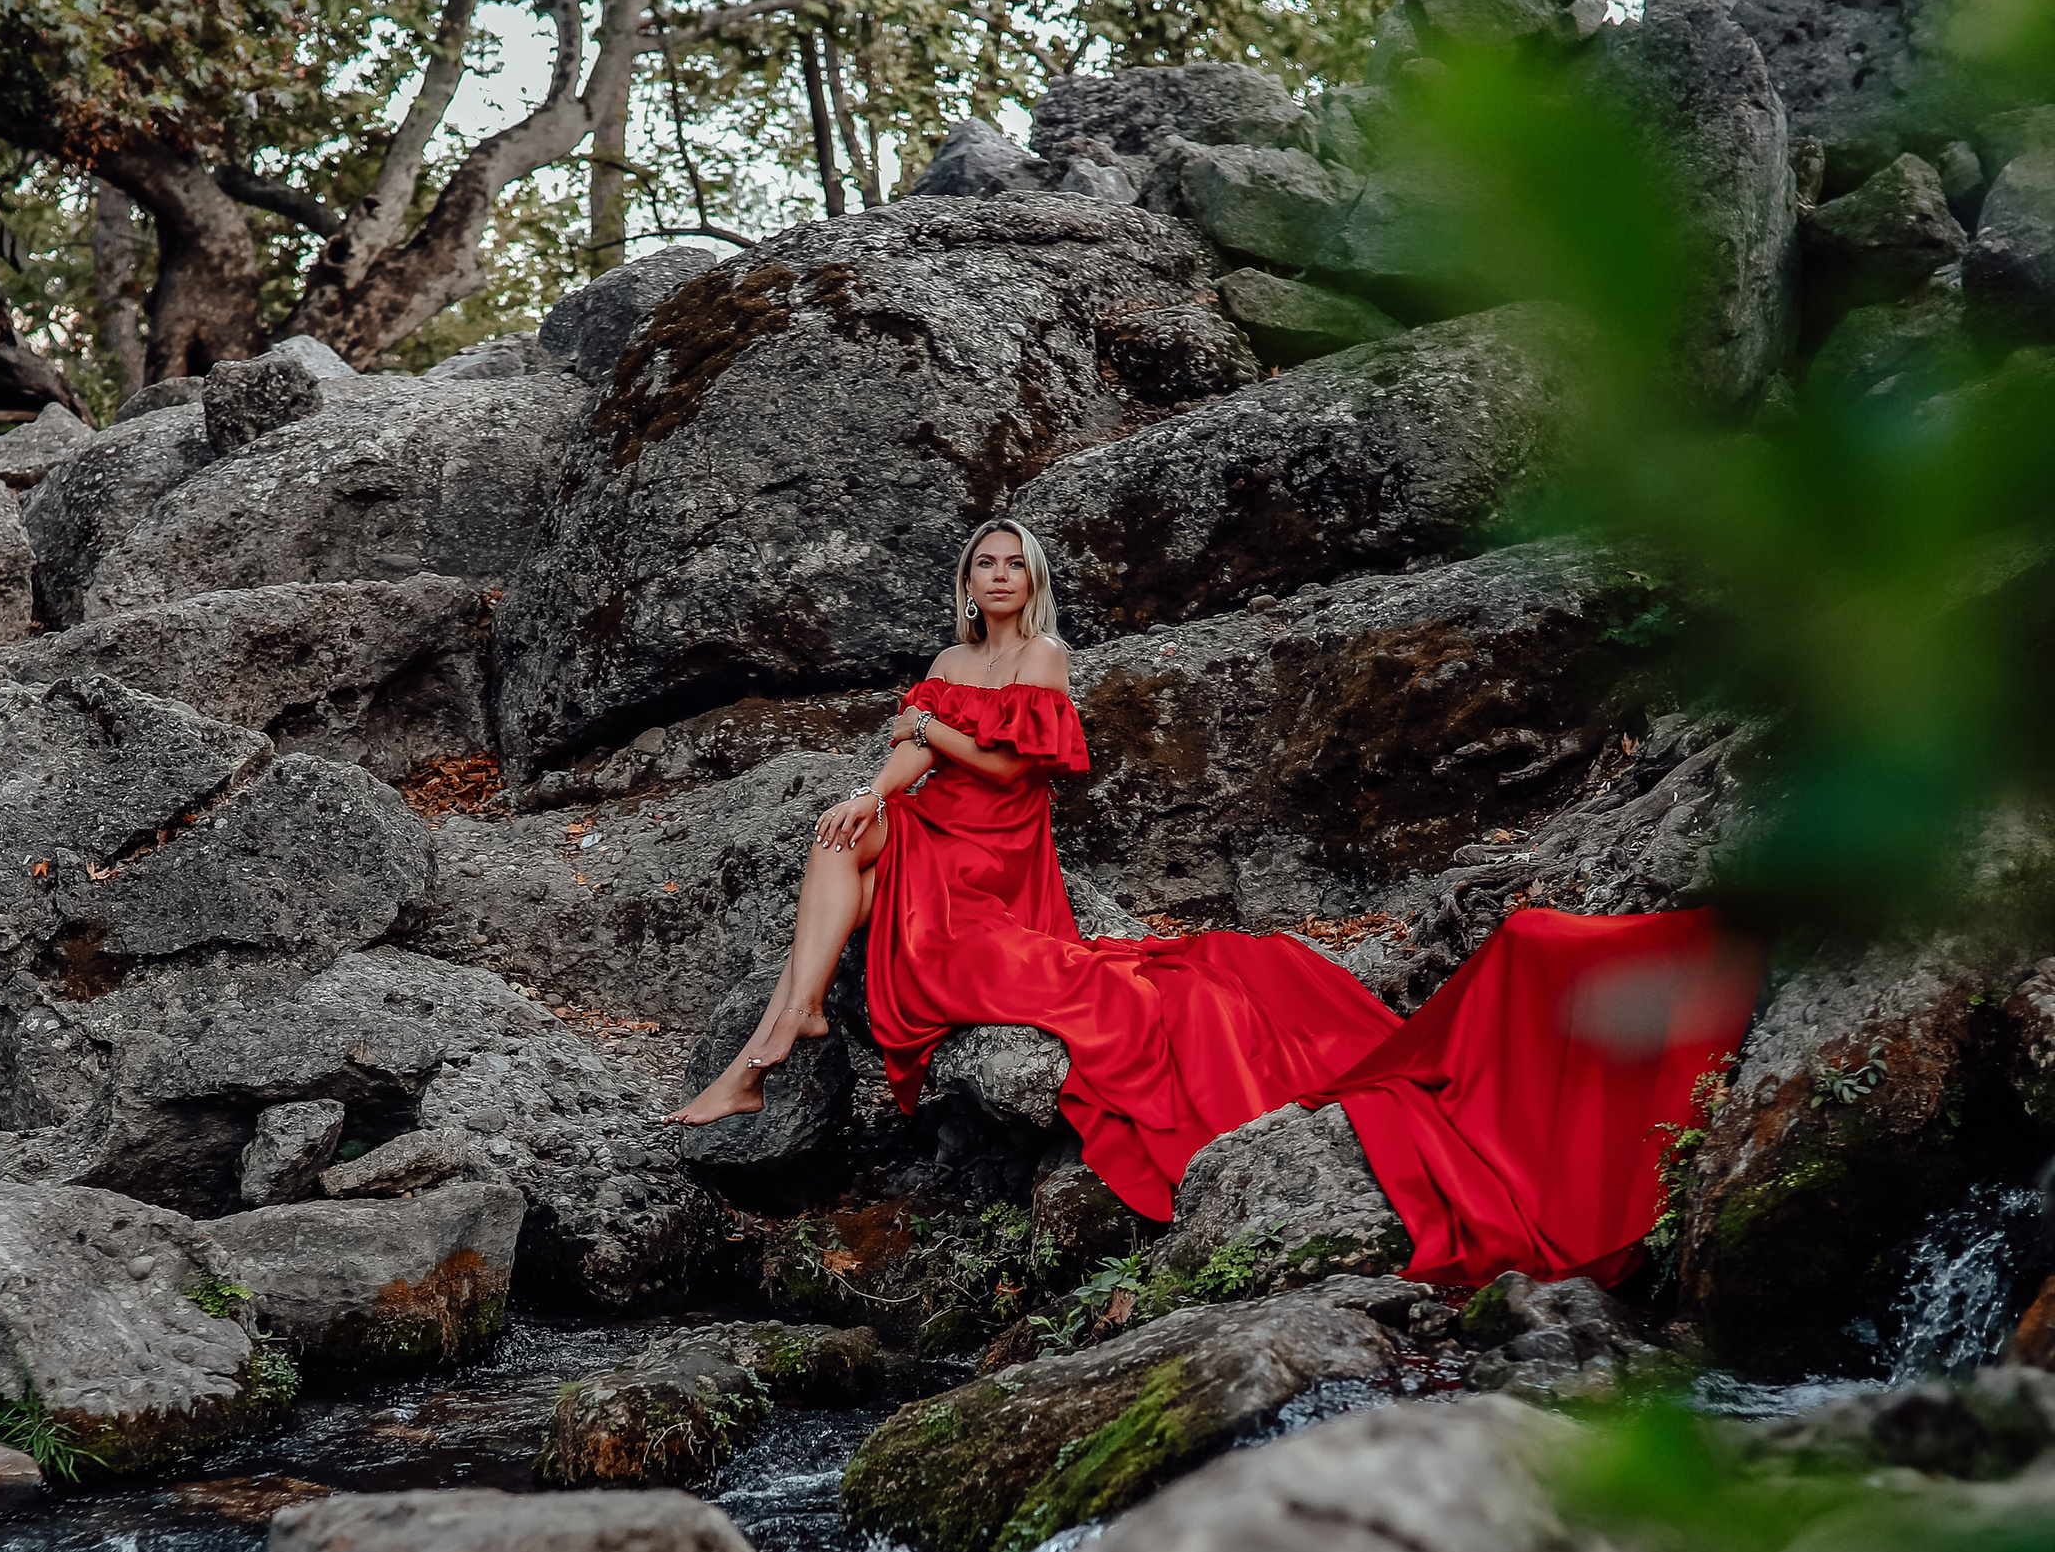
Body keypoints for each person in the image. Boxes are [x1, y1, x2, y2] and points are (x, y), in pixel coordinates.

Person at [668, 518, 1758, 1283]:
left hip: (994, 867)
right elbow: (911, 761)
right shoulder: (951, 657)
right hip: (932, 835)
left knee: (954, 902)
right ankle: (786, 1027)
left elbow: (1003, 768)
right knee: (841, 838)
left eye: (1012, 564)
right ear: (966, 580)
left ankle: (768, 1047)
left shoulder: (1043, 658)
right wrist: (871, 789)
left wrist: (927, 730)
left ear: (1030, 581)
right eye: (983, 564)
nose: (997, 576)